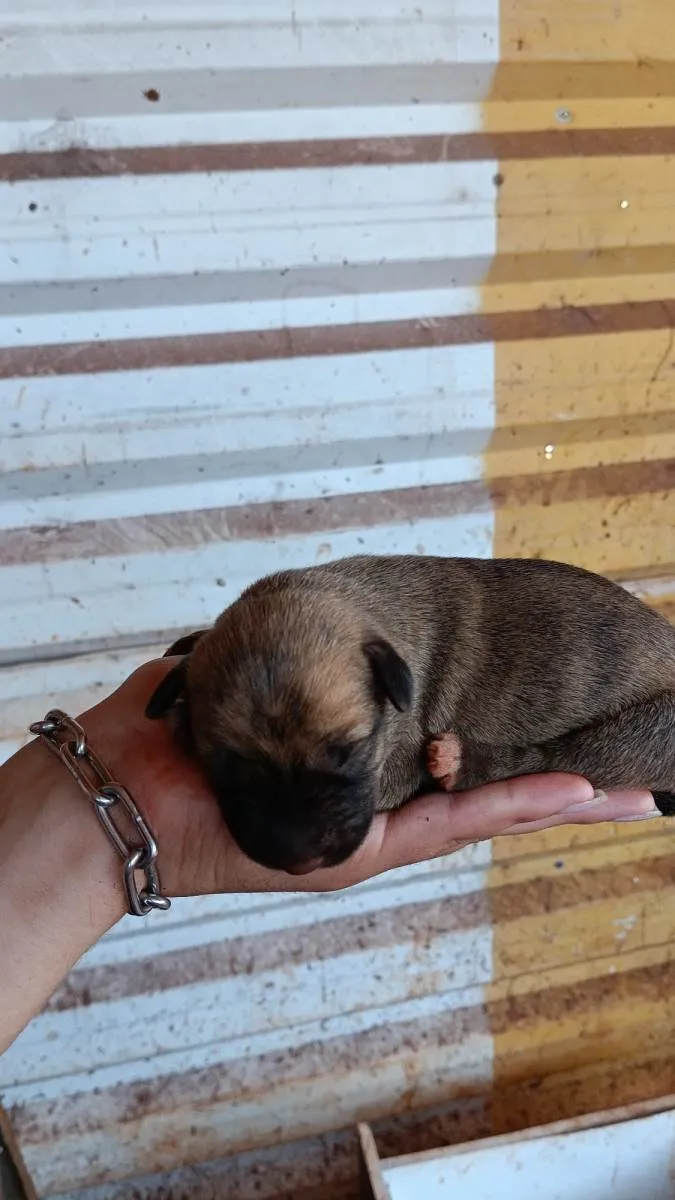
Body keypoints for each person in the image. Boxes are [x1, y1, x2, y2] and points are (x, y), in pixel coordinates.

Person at [0, 656, 657, 1057]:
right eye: (234, 769)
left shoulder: (400, 670)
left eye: (340, 757)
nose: (295, 852)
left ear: (388, 676)